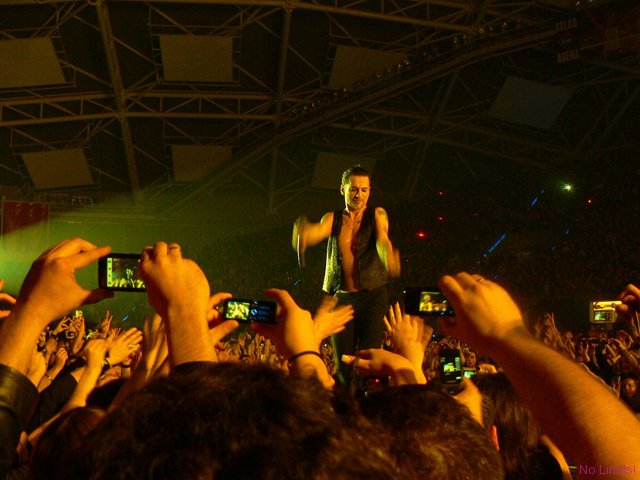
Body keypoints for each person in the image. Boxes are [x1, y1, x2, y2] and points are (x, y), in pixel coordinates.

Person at [292, 165, 401, 382]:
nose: (359, 195)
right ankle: (344, 397)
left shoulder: (377, 214)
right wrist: (305, 235)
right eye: (354, 189)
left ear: (369, 191)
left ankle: (366, 396)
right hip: (342, 298)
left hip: (373, 296)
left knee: (369, 357)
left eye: (363, 190)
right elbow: (318, 231)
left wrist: (387, 253)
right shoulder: (332, 218)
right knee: (343, 363)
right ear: (343, 189)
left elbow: (382, 239)